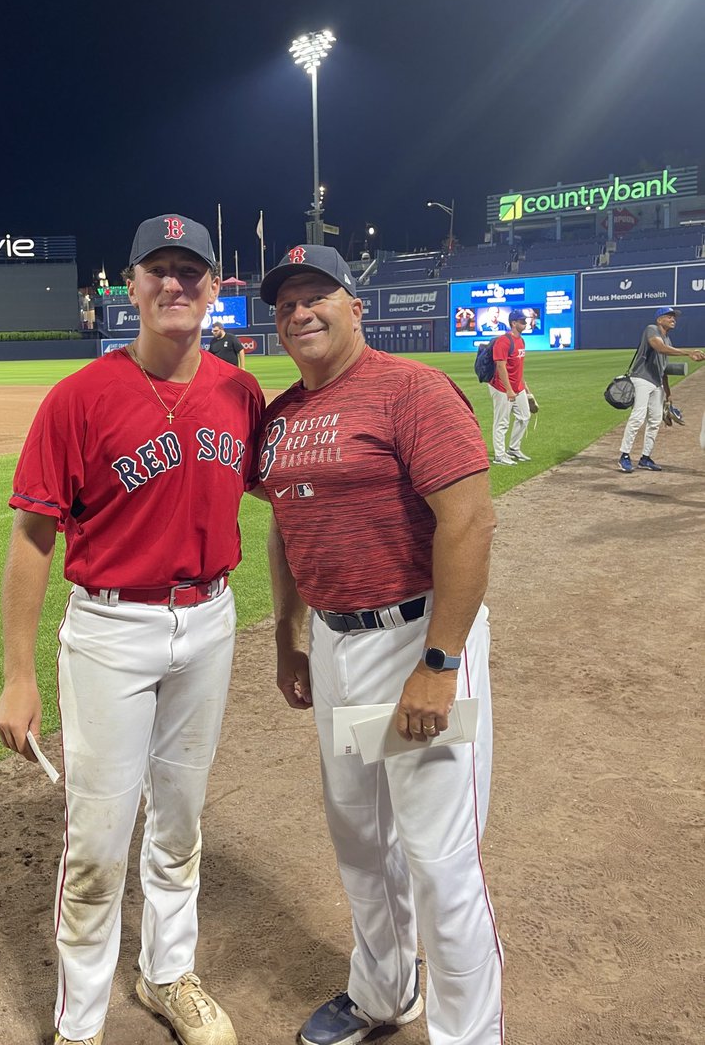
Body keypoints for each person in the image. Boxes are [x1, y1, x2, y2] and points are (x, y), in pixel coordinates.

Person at [0, 213, 264, 1045]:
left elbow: (291, 497)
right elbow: (32, 538)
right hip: (110, 631)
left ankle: (168, 974)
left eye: (191, 271)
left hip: (211, 620)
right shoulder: (79, 398)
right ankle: (80, 1025)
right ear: (131, 287)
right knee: (98, 838)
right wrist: (18, 675)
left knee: (180, 818)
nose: (175, 284)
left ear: (215, 289)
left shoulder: (241, 392)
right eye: (159, 270)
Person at [257, 244, 503, 1045]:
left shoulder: (412, 389)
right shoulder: (280, 417)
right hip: (337, 646)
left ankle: (469, 1036)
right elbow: (285, 527)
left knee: (440, 860)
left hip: (417, 640)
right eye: (287, 303)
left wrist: (440, 663)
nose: (301, 312)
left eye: (317, 295)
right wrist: (290, 634)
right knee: (361, 839)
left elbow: (470, 521)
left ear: (356, 307)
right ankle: (384, 994)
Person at [618, 306, 705, 473]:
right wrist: (688, 353)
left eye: (674, 317)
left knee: (655, 420)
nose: (673, 319)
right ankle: (624, 456)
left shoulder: (668, 341)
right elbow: (658, 347)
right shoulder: (652, 329)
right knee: (637, 417)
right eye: (669, 316)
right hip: (642, 379)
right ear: (659, 319)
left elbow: (663, 369)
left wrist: (668, 394)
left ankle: (645, 458)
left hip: (657, 384)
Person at [489, 309, 531, 465]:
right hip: (502, 387)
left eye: (525, 321)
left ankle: (513, 448)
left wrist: (525, 388)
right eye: (522, 321)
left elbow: (518, 367)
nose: (525, 323)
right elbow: (501, 366)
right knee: (502, 422)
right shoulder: (504, 341)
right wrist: (508, 390)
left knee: (524, 416)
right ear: (514, 323)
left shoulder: (521, 341)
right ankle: (499, 456)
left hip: (517, 387)